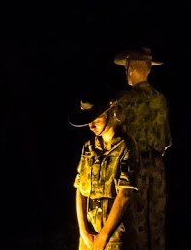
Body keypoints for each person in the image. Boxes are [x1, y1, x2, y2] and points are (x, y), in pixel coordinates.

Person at [114, 47, 172, 250]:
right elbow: (167, 140)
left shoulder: (124, 101)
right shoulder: (160, 99)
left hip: (134, 167)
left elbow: (117, 138)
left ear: (129, 68)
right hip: (157, 165)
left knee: (135, 222)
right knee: (157, 221)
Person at [70, 87, 138, 250]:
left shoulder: (126, 146)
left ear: (111, 112)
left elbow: (125, 193)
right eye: (89, 121)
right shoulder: (88, 148)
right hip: (89, 237)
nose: (91, 126)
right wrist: (84, 231)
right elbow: (80, 189)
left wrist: (103, 236)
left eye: (96, 120)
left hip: (115, 238)